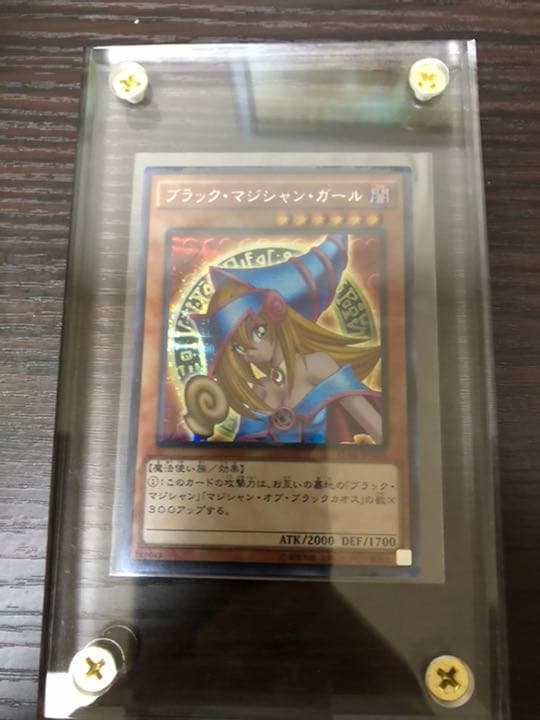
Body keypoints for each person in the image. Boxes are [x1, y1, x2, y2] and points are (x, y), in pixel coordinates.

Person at [184, 233, 382, 444]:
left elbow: (379, 430)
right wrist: (201, 432)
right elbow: (241, 454)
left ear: (277, 319)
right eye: (238, 348)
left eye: (257, 333)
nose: (249, 351)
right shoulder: (261, 389)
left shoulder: (316, 365)